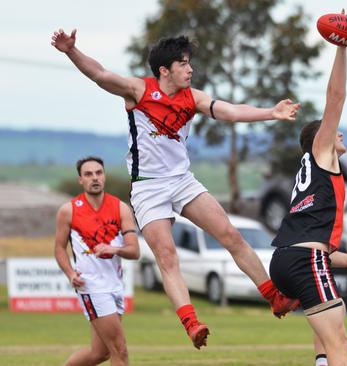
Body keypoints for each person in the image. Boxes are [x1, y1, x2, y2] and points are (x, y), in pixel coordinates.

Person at [51, 29, 300, 349]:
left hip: (182, 181)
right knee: (167, 257)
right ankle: (192, 323)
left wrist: (270, 113)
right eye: (183, 63)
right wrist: (72, 51)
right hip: (148, 189)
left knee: (230, 234)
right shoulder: (138, 90)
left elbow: (231, 111)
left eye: (189, 63)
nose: (190, 69)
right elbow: (99, 74)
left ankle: (273, 297)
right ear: (164, 70)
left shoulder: (193, 97)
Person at [268, 41, 347, 366]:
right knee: (340, 343)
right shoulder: (322, 154)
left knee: (326, 337)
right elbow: (335, 97)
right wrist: (342, 47)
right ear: (320, 138)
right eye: (334, 132)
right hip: (305, 260)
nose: (341, 134)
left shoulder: (310, 173)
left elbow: (311, 241)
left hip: (287, 258)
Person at [54, 156, 140, 366]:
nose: (95, 178)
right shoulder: (69, 210)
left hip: (115, 285)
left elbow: (134, 251)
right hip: (91, 286)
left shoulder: (121, 208)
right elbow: (59, 249)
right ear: (80, 180)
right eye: (88, 174)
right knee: (120, 349)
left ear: (104, 176)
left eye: (98, 173)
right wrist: (71, 274)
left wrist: (113, 249)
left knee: (100, 353)